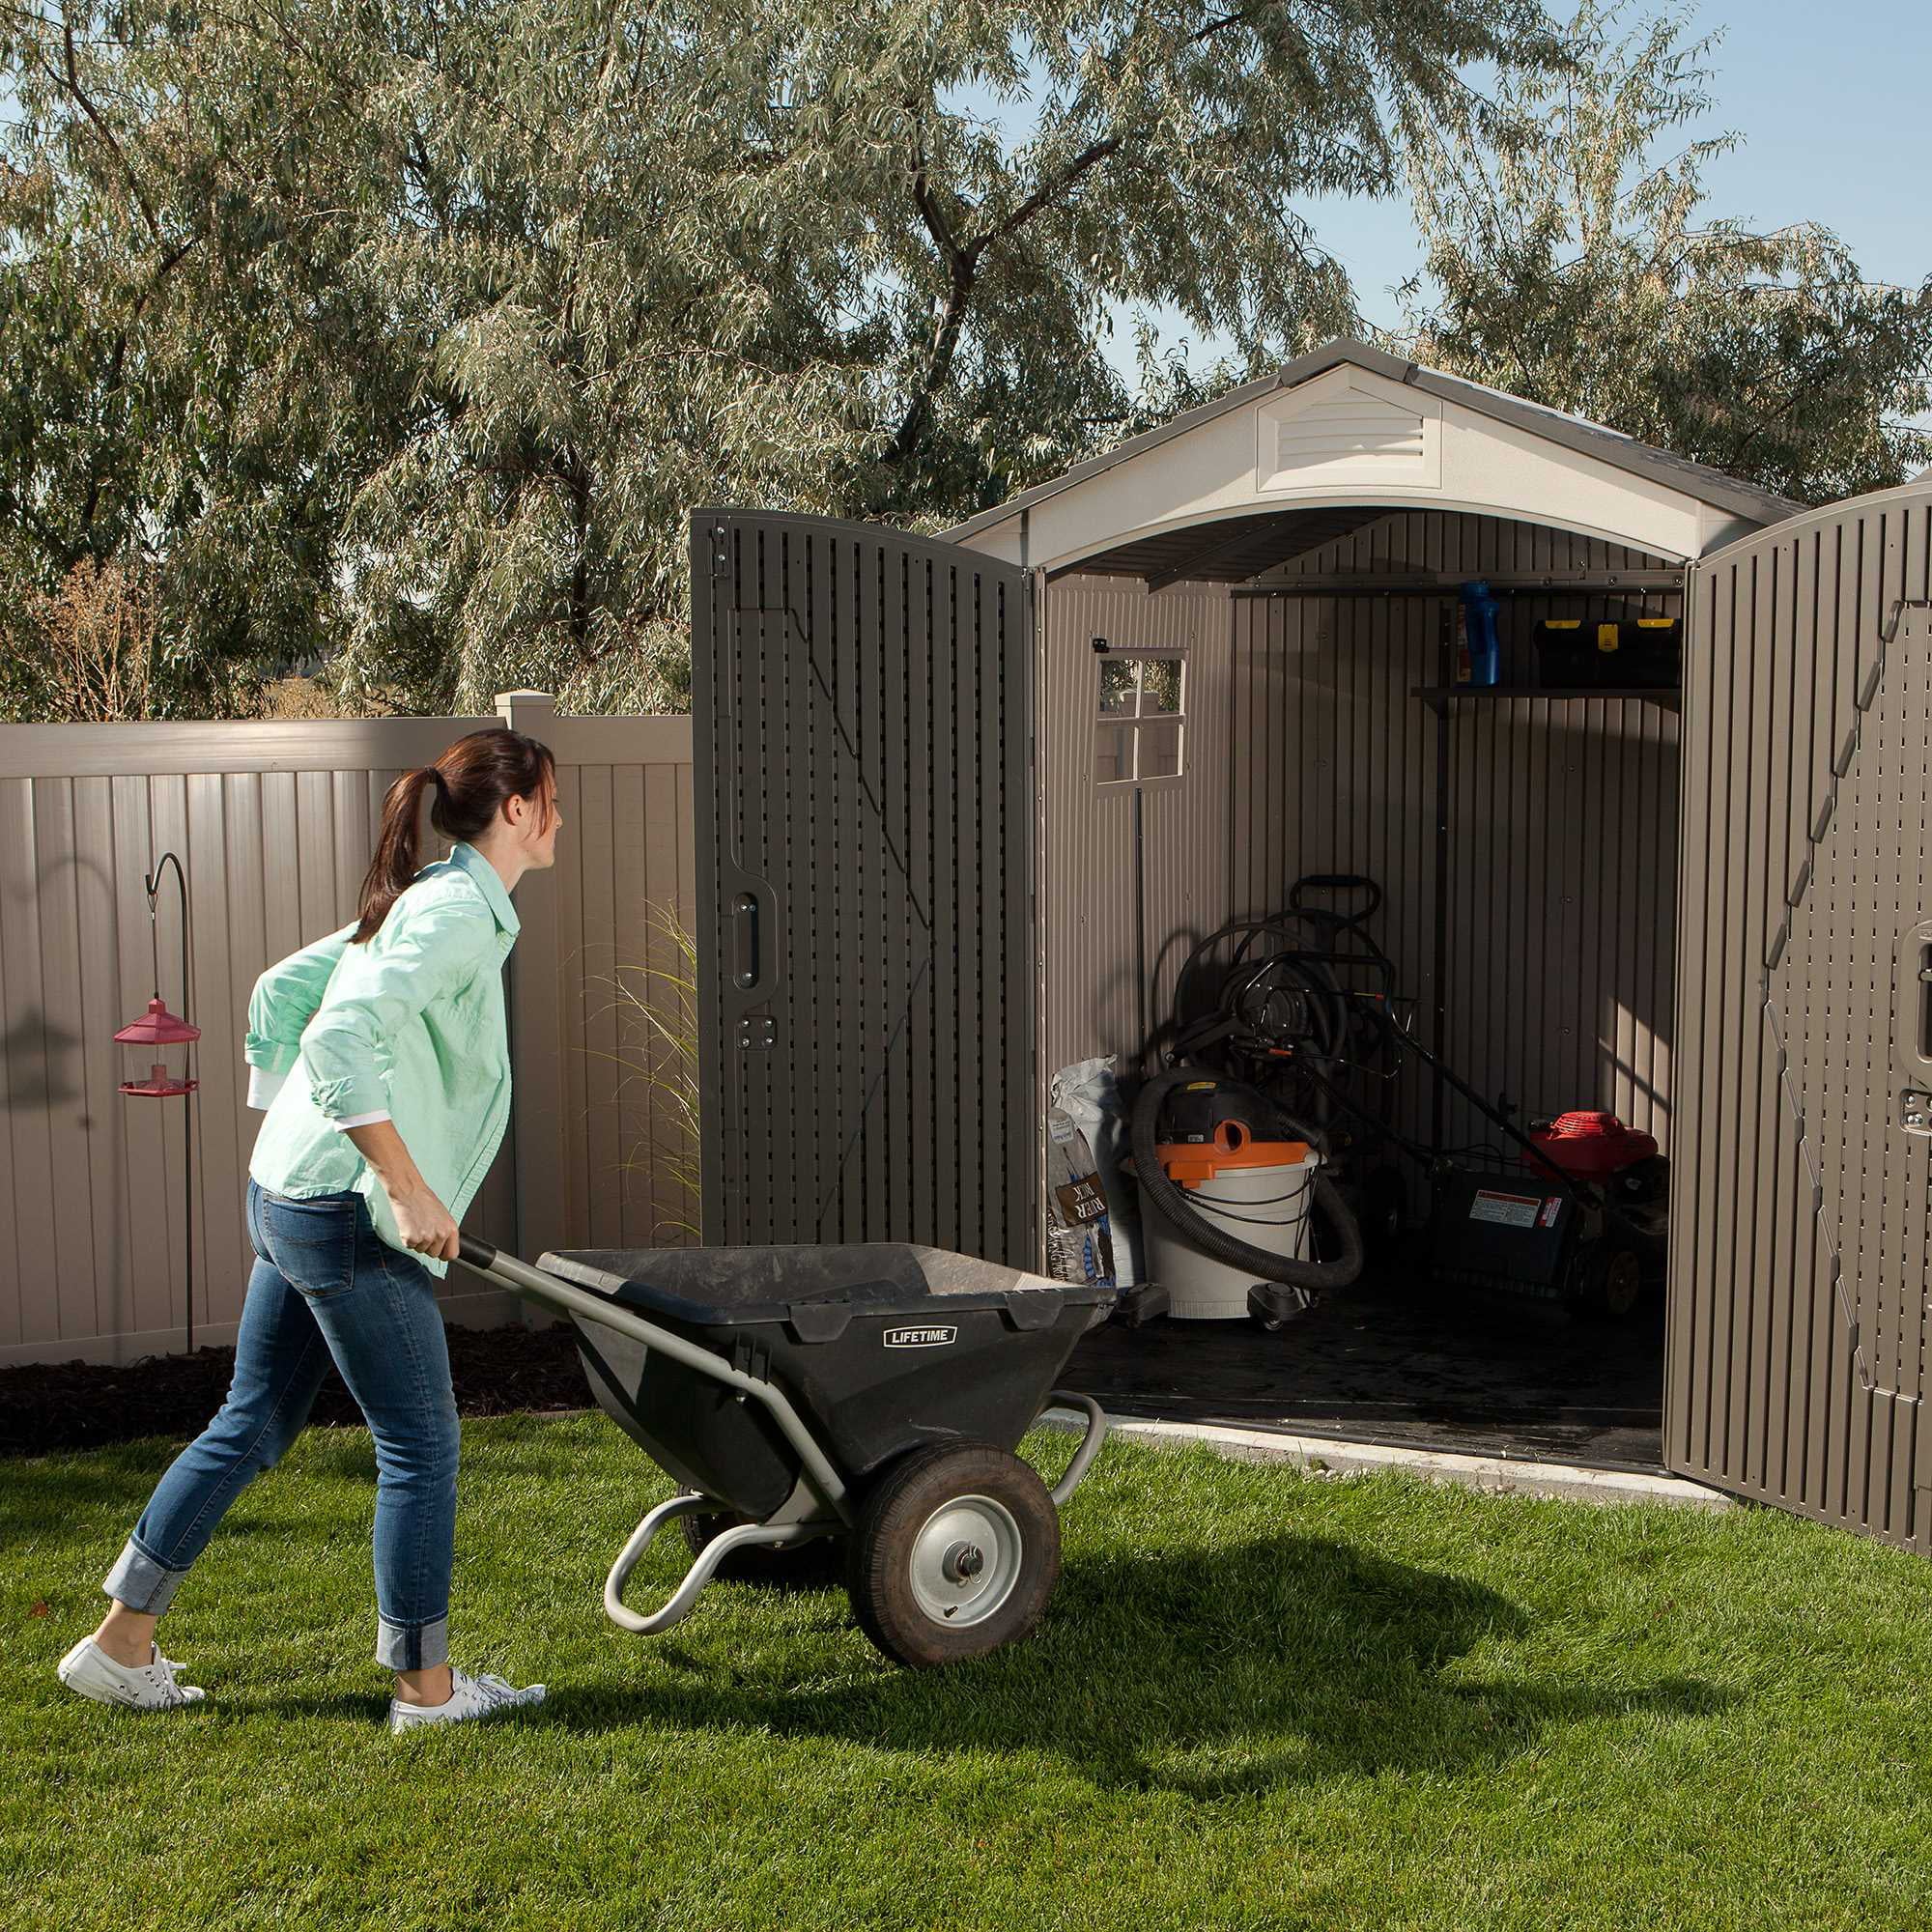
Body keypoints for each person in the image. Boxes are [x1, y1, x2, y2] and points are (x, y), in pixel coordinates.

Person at [57, 727, 563, 1733]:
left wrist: (291, 1120)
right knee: (420, 1439)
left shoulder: (434, 901)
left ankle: (118, 1644)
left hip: (289, 1191)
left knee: (252, 1419)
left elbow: (282, 989)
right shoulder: (455, 911)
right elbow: (332, 1026)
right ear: (514, 808)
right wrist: (403, 1182)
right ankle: (426, 1689)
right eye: (551, 797)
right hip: (342, 1213)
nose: (559, 815)